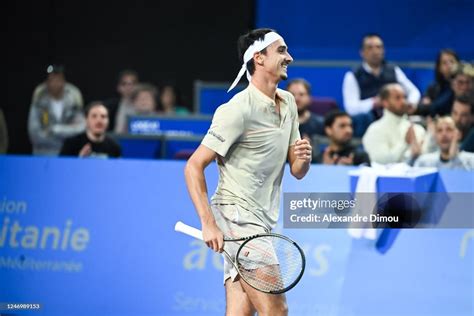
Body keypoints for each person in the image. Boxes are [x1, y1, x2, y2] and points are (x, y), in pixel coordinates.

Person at [184, 28, 311, 316]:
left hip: (261, 219)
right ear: (259, 58)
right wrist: (208, 222)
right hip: (237, 217)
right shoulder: (236, 110)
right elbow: (193, 166)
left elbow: (297, 170)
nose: (289, 57)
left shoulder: (289, 102)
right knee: (276, 311)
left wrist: (303, 158)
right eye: (281, 51)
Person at [342, 34, 420, 137]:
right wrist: (375, 103)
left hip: (395, 114)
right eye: (370, 47)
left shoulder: (393, 70)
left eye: (378, 47)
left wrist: (410, 104)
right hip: (370, 119)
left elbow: (414, 92)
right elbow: (351, 108)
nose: (375, 51)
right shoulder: (353, 75)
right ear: (362, 52)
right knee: (363, 118)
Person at [28, 64, 86, 155]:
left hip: (68, 154)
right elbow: (35, 135)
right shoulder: (39, 101)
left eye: (58, 79)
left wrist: (56, 129)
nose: (55, 83)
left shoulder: (73, 100)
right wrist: (63, 139)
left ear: (64, 81)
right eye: (52, 80)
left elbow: (81, 128)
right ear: (46, 82)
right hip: (43, 154)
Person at [362, 83, 426, 165]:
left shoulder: (418, 129)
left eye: (404, 97)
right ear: (385, 102)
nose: (403, 102)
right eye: (397, 98)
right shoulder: (375, 130)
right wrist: (405, 144)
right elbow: (379, 161)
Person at [416, 49, 460, 117]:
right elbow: (426, 109)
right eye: (444, 63)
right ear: (439, 68)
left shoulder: (465, 85)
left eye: (452, 61)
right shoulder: (433, 87)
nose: (449, 65)